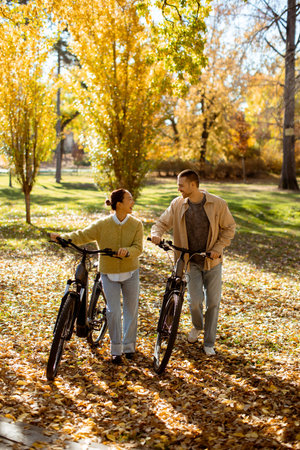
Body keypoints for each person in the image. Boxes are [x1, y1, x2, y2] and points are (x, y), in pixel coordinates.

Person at [50, 188, 143, 365]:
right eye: (129, 199)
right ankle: (116, 350)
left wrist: (128, 251)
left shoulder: (136, 224)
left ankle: (129, 347)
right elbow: (82, 234)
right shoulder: (103, 224)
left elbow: (138, 248)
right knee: (113, 311)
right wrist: (63, 238)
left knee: (131, 311)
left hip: (131, 272)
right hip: (108, 273)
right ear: (119, 204)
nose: (132, 202)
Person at [151, 169, 236, 356]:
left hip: (211, 261)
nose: (178, 189)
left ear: (193, 185)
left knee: (213, 302)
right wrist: (156, 234)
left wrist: (218, 248)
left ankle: (209, 343)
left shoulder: (217, 204)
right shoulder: (177, 204)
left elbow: (229, 228)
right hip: (190, 261)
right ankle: (198, 326)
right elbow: (162, 223)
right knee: (195, 301)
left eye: (181, 185)